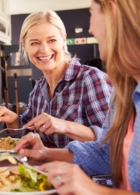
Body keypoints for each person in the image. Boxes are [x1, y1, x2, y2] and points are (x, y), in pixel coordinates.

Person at [14, 0, 140, 193]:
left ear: (112, 11)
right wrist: (46, 153)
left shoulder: (93, 78)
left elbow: (103, 142)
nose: (89, 29)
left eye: (91, 13)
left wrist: (95, 190)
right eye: (35, 43)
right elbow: (107, 154)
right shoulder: (125, 86)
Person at [0, 10, 112, 148]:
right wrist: (13, 120)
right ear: (24, 46)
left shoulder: (90, 79)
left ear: (63, 40)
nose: (44, 49)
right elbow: (26, 130)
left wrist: (66, 126)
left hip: (82, 169)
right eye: (35, 43)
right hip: (43, 167)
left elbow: (111, 139)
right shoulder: (38, 89)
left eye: (52, 40)